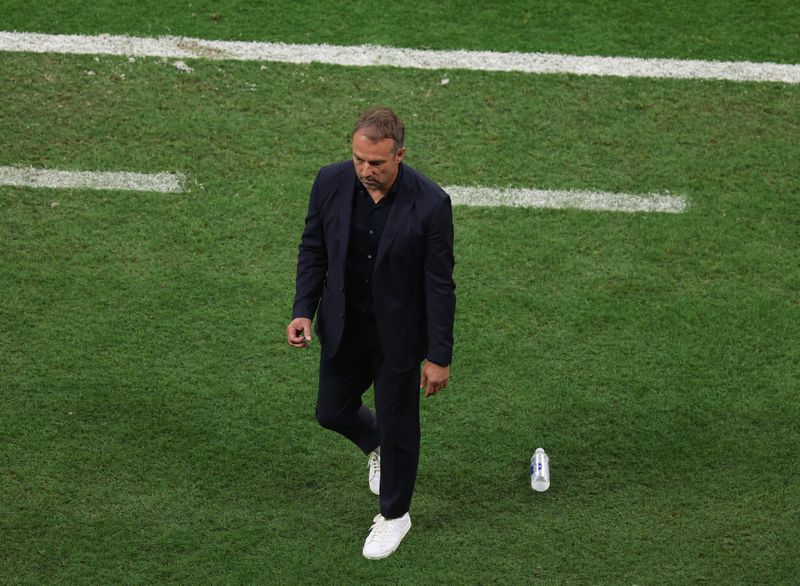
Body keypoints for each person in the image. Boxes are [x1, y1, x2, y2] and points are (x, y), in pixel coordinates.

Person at [286, 107, 456, 560]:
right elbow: (314, 247)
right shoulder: (330, 181)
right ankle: (376, 443)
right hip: (344, 325)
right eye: (359, 159)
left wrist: (439, 356)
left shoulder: (431, 203)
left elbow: (439, 285)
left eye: (376, 163)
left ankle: (396, 515)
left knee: (401, 424)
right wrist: (303, 309)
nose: (365, 170)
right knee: (330, 411)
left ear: (400, 154)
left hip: (397, 336)